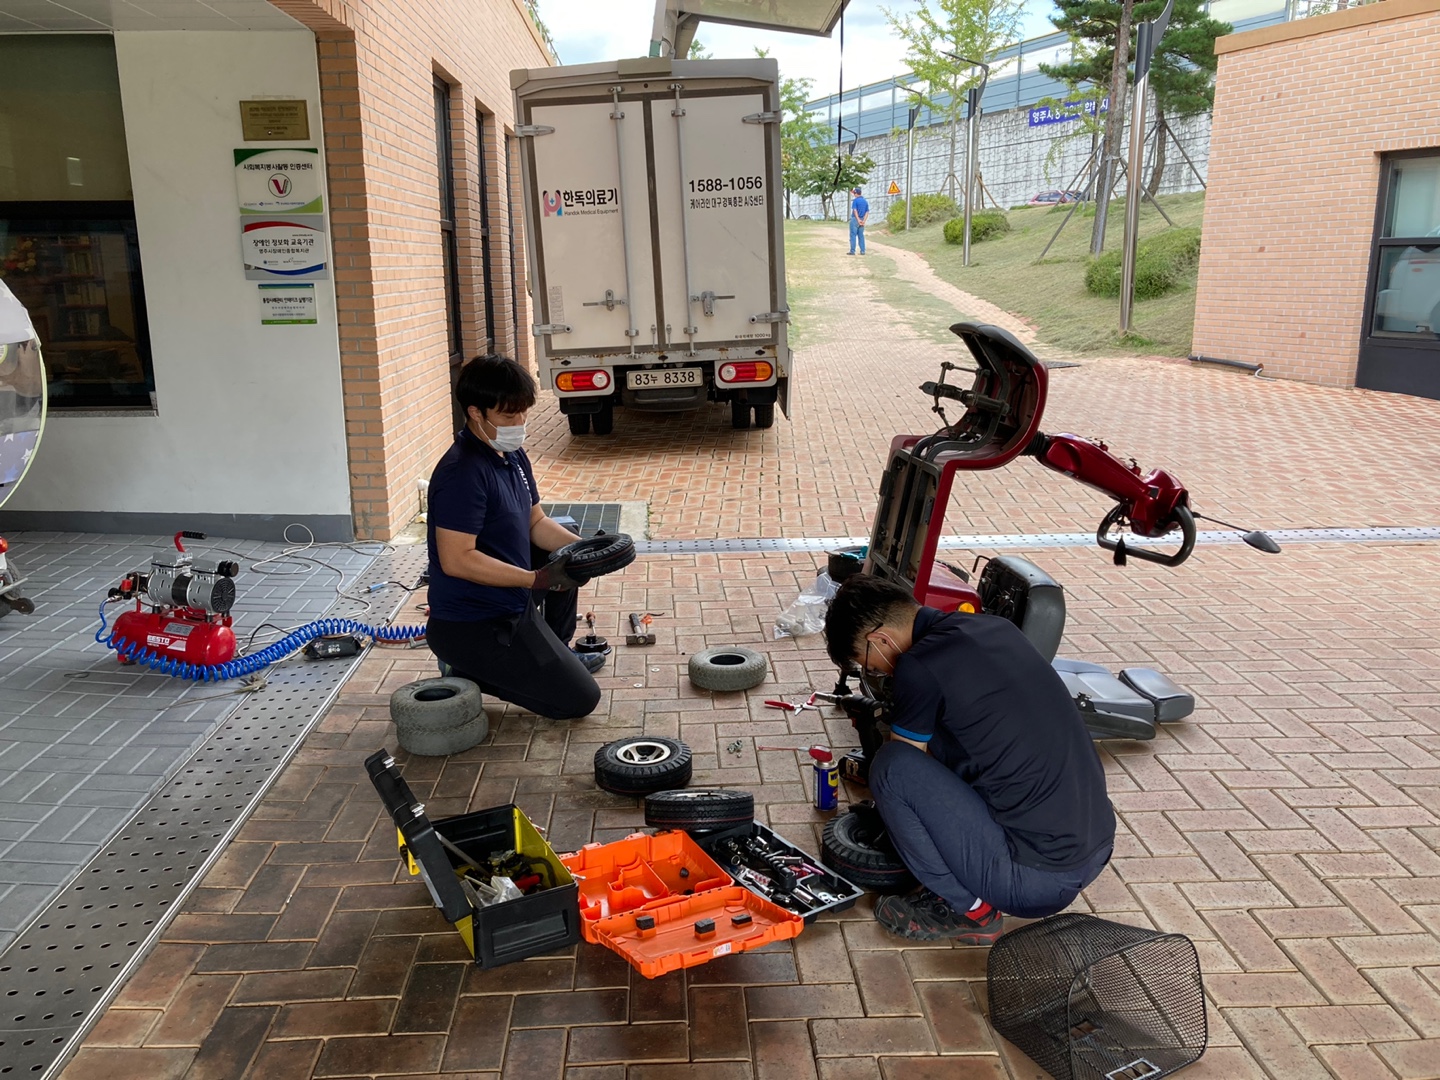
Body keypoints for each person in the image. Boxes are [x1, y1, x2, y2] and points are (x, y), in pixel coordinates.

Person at [824, 574, 1116, 942]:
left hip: (1033, 881)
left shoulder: (919, 666)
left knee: (891, 767)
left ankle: (969, 910)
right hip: (1094, 847)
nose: (876, 671)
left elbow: (905, 769)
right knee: (936, 745)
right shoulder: (994, 628)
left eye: (867, 663)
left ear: (880, 640)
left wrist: (894, 817)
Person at [424, 353, 602, 721]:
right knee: (579, 700)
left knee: (569, 547)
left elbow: (535, 522)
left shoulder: (512, 455)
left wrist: (587, 550)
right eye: (508, 416)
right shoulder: (462, 474)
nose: (519, 423)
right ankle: (465, 669)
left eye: (523, 413)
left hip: (513, 599)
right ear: (476, 413)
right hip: (474, 622)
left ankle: (559, 649)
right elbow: (456, 560)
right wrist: (535, 579)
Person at [847, 186, 869, 255]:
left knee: (853, 235)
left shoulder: (855, 201)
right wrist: (863, 221)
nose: (854, 194)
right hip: (862, 219)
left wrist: (858, 219)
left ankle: (852, 251)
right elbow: (867, 212)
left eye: (854, 193)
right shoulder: (865, 201)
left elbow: (855, 210)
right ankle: (862, 251)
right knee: (861, 236)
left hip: (855, 219)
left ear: (856, 193)